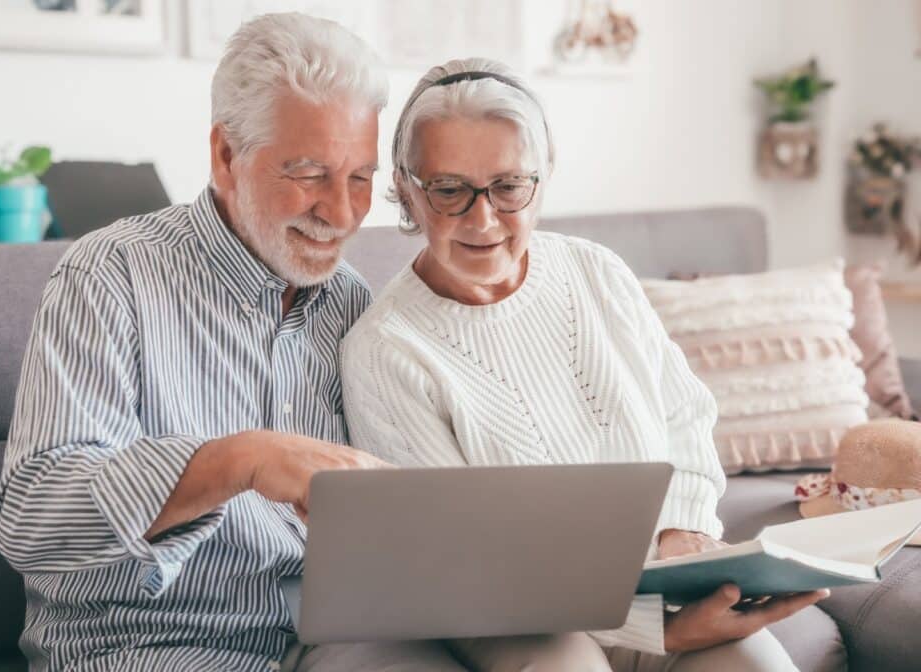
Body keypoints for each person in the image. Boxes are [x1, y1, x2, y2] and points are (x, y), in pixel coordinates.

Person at [0, 13, 475, 671]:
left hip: (327, 638)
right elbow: (31, 517)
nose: (341, 212)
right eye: (309, 173)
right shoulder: (111, 274)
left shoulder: (353, 302)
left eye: (360, 177)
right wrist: (237, 459)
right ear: (224, 156)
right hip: (147, 645)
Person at [340, 57, 828, 671]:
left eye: (509, 186)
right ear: (409, 187)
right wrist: (661, 633)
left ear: (542, 178)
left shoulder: (597, 272)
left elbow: (685, 416)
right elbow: (456, 558)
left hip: (662, 584)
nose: (483, 218)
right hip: (513, 616)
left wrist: (682, 534)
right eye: (449, 189)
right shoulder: (385, 350)